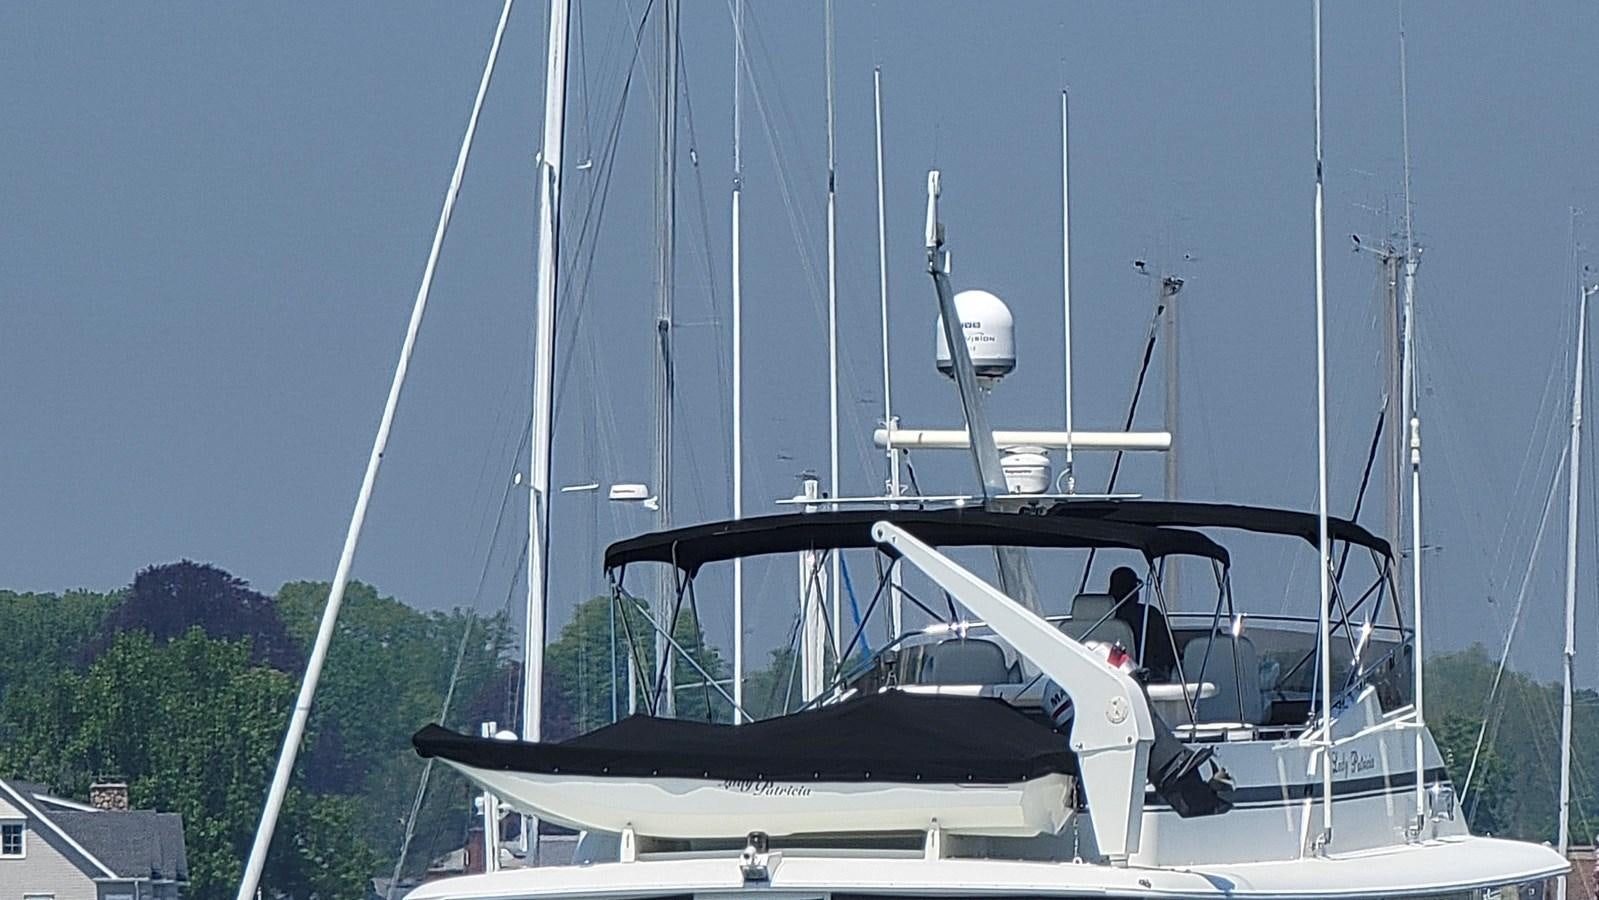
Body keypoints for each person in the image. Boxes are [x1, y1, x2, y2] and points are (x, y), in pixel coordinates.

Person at [1108, 566, 1177, 681]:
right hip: (1139, 681)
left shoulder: (1096, 620)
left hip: (1098, 677)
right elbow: (1168, 656)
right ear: (1135, 590)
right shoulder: (1149, 615)